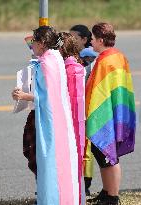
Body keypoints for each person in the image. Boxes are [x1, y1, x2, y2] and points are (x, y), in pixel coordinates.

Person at [14, 26, 80, 205]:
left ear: (42, 43)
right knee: (60, 162)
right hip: (59, 119)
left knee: (50, 163)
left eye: (33, 41)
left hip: (50, 121)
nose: (31, 45)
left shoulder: (46, 63)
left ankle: (51, 200)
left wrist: (24, 96)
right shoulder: (56, 57)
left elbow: (48, 97)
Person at [86, 22, 136, 205]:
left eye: (92, 38)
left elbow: (99, 90)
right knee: (102, 154)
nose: (90, 41)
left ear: (100, 39)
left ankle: (113, 196)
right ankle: (107, 191)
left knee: (109, 155)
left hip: (107, 112)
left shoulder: (106, 60)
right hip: (117, 111)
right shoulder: (118, 56)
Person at [59, 32, 86, 204]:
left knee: (69, 164)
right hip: (79, 123)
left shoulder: (67, 70)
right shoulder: (77, 66)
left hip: (70, 124)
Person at [70, 24, 97, 196]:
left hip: (87, 108)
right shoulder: (75, 55)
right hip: (76, 108)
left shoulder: (90, 58)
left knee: (85, 147)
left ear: (84, 40)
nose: (70, 40)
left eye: (74, 37)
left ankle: (85, 184)